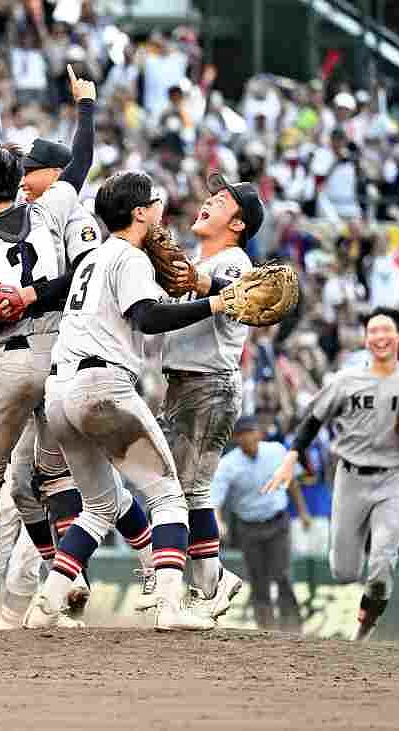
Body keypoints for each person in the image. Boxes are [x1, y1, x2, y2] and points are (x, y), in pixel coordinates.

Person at [0, 61, 156, 625]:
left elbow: (80, 161)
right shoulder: (33, 210)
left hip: (70, 353)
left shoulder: (70, 212)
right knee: (32, 483)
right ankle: (72, 579)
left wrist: (88, 108)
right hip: (49, 353)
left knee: (60, 477)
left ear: (54, 173)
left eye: (31, 169)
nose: (21, 176)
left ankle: (126, 567)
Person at [24, 169, 231, 631]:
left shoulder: (96, 256)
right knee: (170, 497)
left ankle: (46, 603)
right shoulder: (130, 258)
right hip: (101, 387)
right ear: (139, 212)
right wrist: (217, 305)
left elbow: (164, 298)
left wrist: (216, 289)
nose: (160, 210)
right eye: (155, 202)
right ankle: (171, 606)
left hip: (59, 393)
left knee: (99, 507)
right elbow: (149, 317)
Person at [0, 65, 101, 627]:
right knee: (53, 476)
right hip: (62, 358)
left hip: (9, 358)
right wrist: (86, 106)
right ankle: (68, 577)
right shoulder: (50, 208)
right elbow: (75, 163)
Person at [263, 307, 399, 641]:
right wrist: (292, 456)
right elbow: (313, 420)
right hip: (349, 478)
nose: (380, 337)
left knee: (381, 566)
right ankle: (358, 580)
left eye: (386, 330)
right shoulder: (345, 380)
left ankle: (363, 632)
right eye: (373, 331)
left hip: (393, 478)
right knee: (344, 571)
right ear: (365, 338)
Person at [156, 172, 264, 619]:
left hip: (210, 383)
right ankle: (212, 581)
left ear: (238, 224)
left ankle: (200, 583)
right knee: (188, 490)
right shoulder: (200, 260)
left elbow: (250, 299)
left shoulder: (235, 261)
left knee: (183, 490)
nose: (208, 201)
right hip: (186, 383)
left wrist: (206, 286)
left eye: (220, 201)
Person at [210, 416, 302, 632]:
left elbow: (293, 481)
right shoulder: (228, 464)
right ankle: (266, 630)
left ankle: (294, 629)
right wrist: (218, 522)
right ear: (235, 438)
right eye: (241, 434)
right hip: (248, 527)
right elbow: (215, 500)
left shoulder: (277, 451)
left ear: (259, 433)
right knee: (258, 580)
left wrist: (303, 511)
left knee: (282, 575)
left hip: (277, 521)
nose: (247, 437)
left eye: (250, 432)